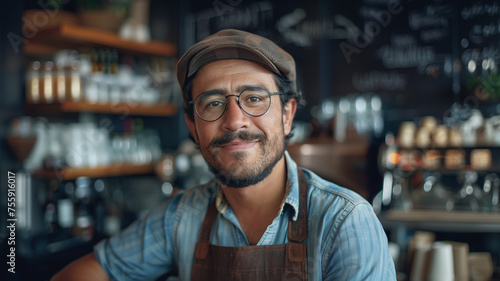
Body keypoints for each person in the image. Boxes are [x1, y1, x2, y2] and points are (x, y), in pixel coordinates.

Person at [52, 29, 396, 281]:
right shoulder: (182, 216)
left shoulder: (345, 221)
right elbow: (85, 272)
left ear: (288, 114)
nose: (234, 121)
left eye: (255, 98)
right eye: (213, 103)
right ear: (192, 125)